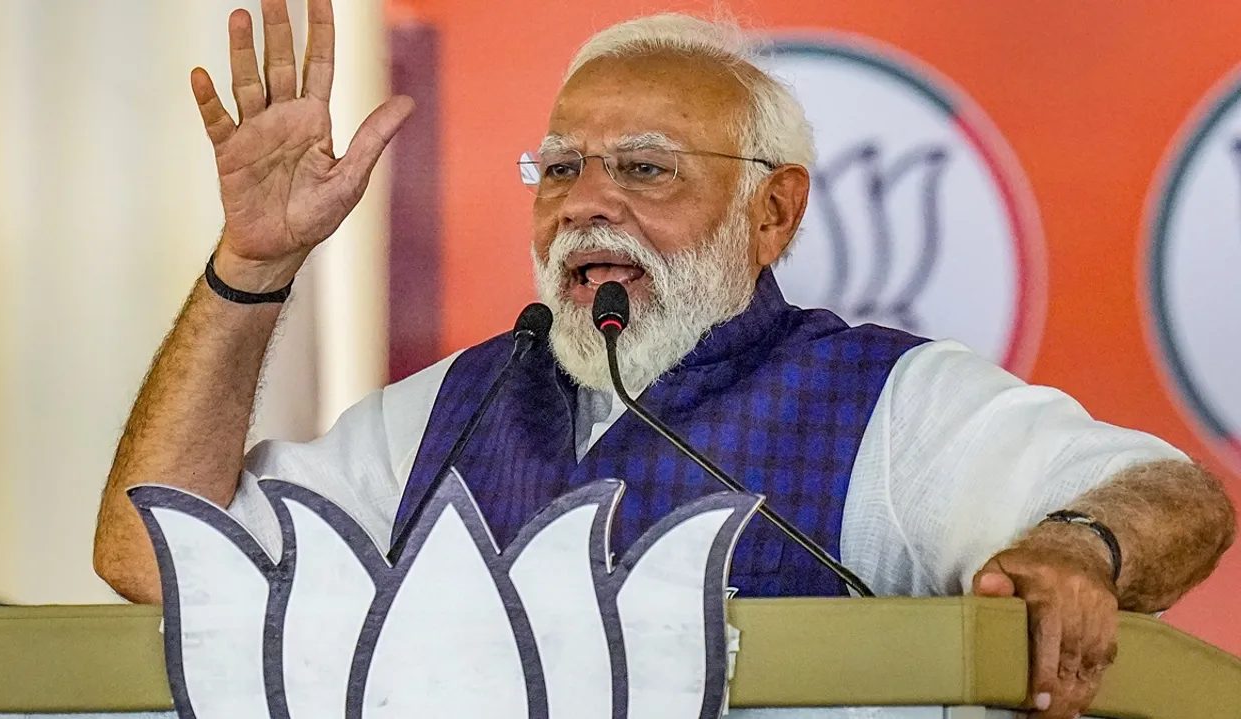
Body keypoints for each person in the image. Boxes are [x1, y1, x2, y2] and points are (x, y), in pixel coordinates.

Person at [92, 2, 1235, 717]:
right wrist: (255, 262)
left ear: (771, 211)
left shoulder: (886, 401)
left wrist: (1074, 546)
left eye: (642, 169)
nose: (586, 203)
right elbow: (155, 553)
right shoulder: (450, 404)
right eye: (558, 170)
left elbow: (1170, 495)